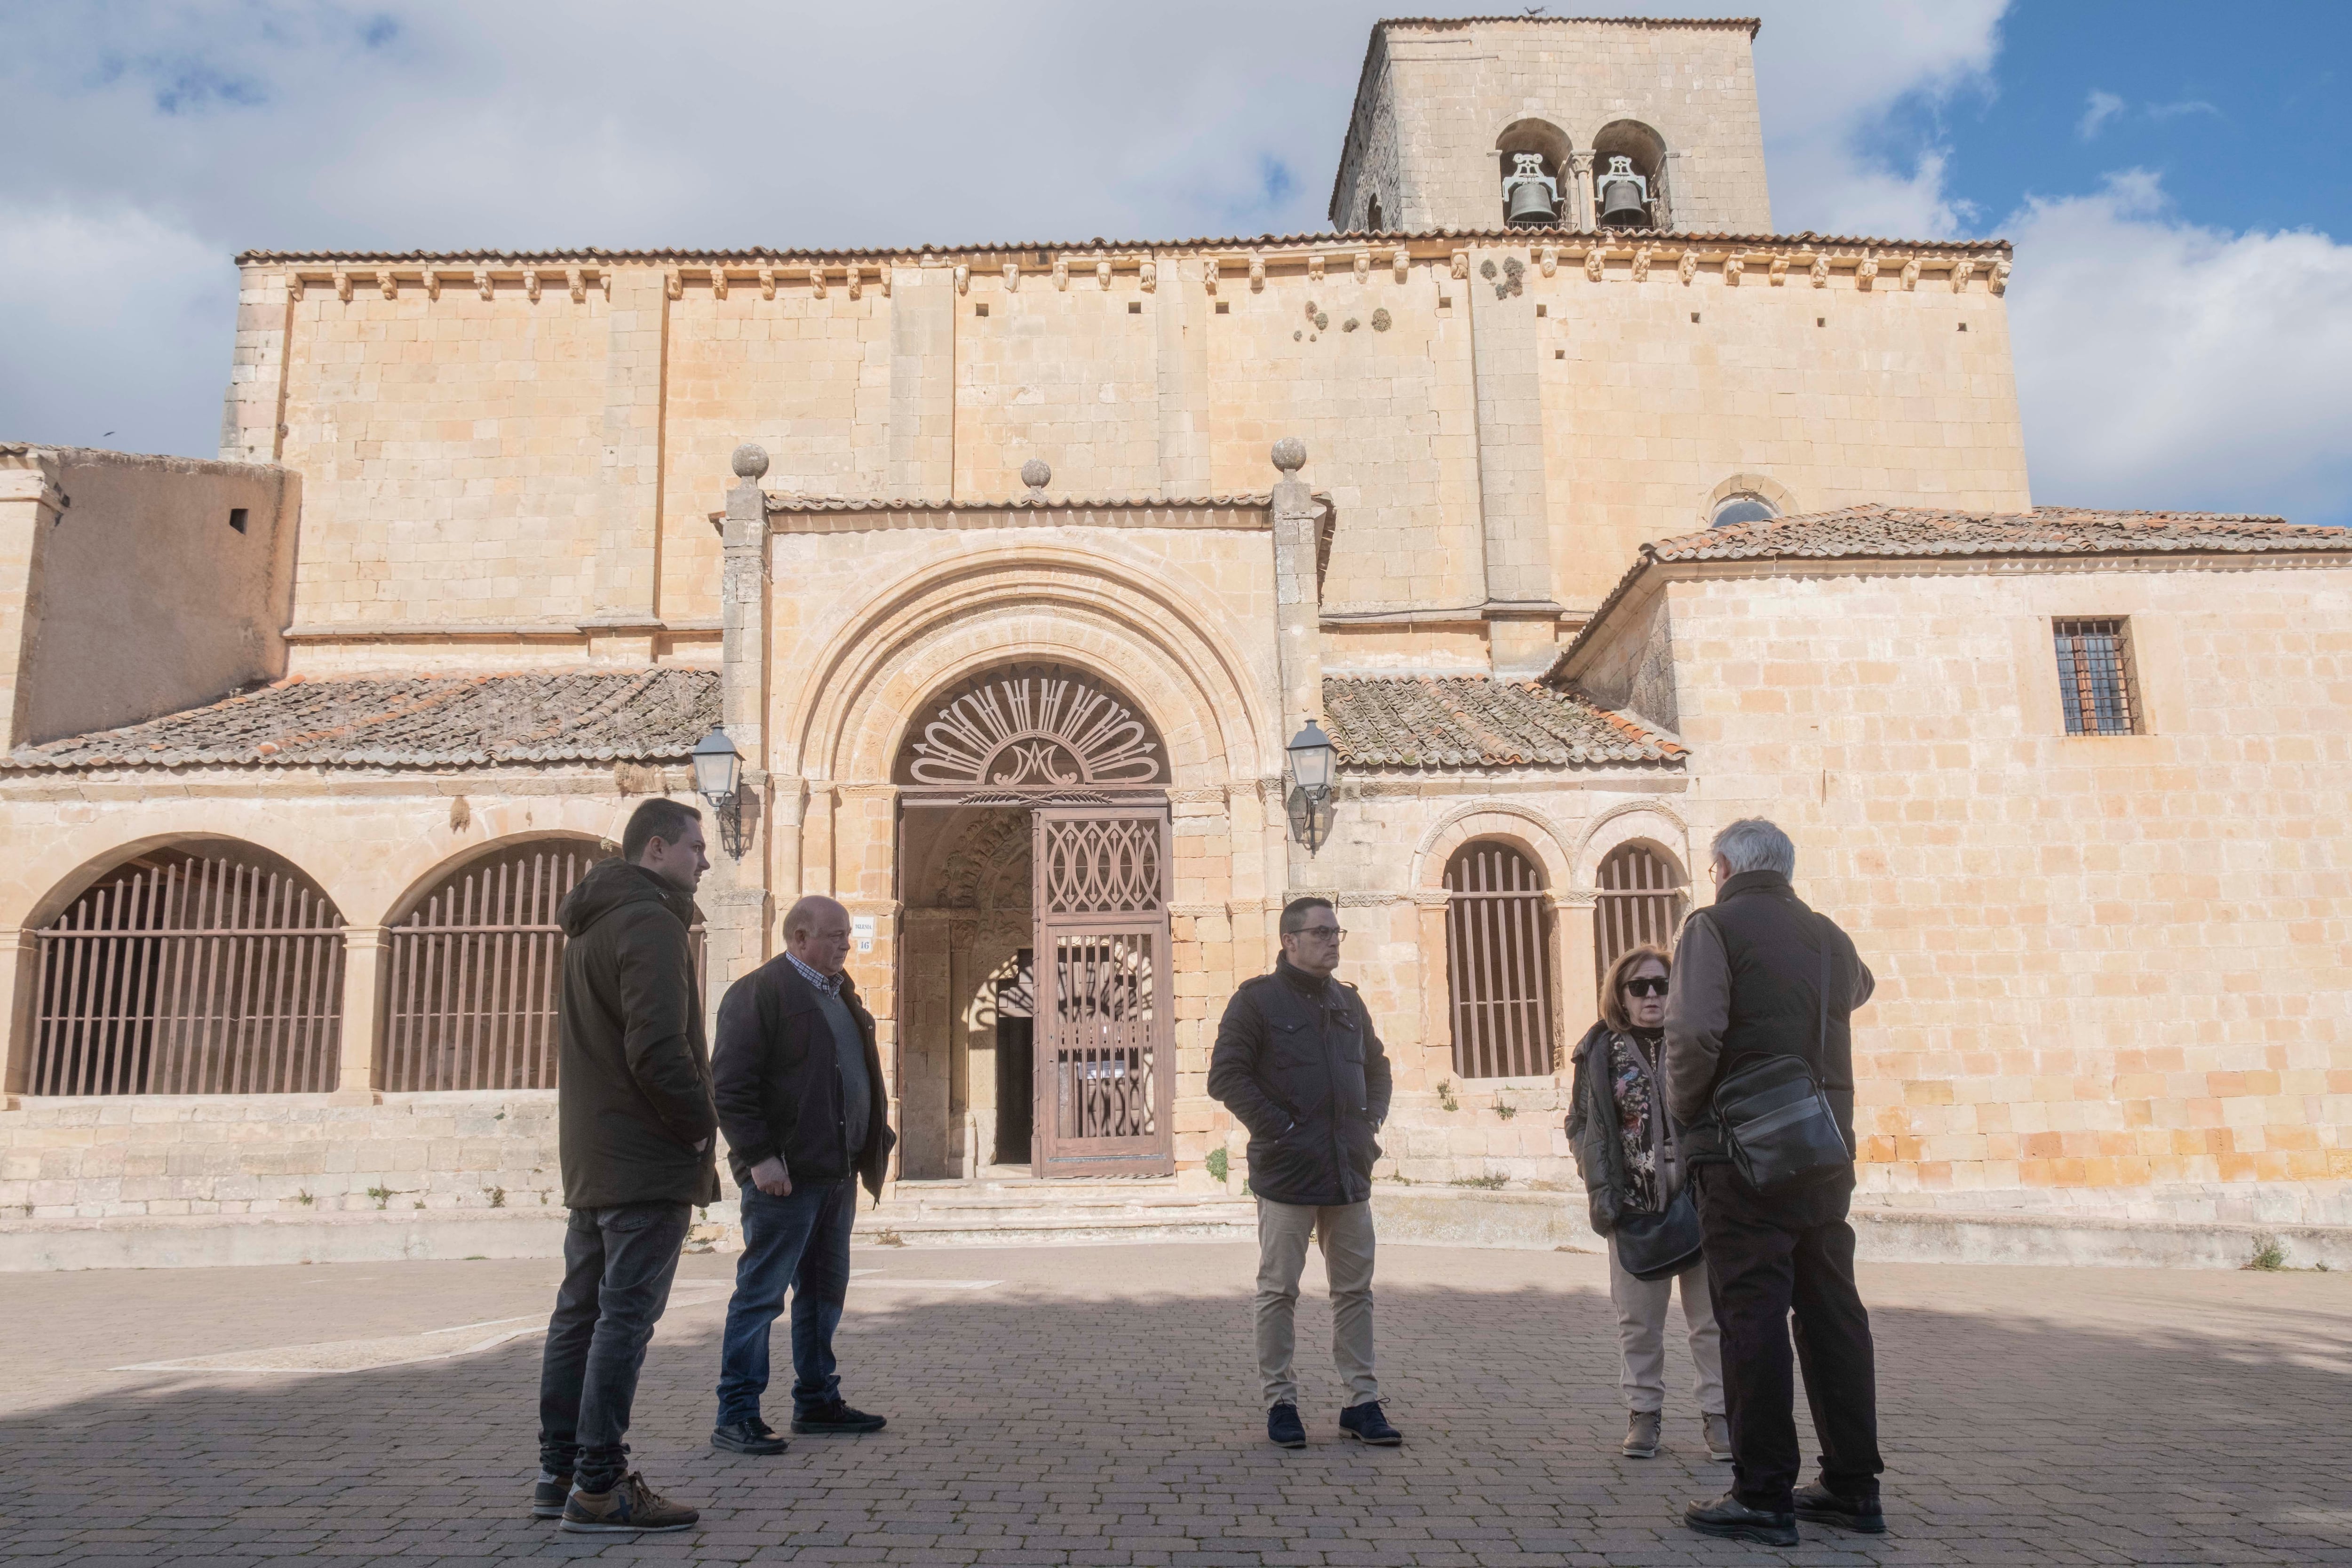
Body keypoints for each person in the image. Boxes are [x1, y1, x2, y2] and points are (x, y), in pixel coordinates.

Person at [1664, 818, 1884, 1547]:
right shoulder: (1826, 935)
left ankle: (1762, 1494)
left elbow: (1693, 1032)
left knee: (1751, 1314)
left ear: (1725, 868)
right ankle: (1853, 1485)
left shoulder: (1712, 927)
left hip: (1742, 1152)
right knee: (1832, 1313)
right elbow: (1860, 988)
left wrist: (1685, 1109)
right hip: (1823, 1145)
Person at [536, 798, 720, 1536]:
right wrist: (698, 1127)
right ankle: (600, 1485)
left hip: (594, 1154)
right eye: (695, 847)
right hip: (644, 1156)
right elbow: (657, 1048)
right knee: (623, 1320)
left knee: (579, 1315)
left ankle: (559, 1473)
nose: (705, 860)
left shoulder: (592, 922)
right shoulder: (650, 921)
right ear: (656, 849)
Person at [1207, 895, 1399, 1450]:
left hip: (1347, 1170)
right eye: (1320, 933)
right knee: (1278, 1290)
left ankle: (1361, 1402)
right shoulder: (1256, 1002)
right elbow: (1226, 1076)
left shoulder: (1348, 1002)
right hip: (1287, 1171)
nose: (1332, 941)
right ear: (1289, 941)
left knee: (1354, 1291)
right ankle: (1281, 1402)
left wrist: (1369, 1121)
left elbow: (1378, 1068)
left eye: (1336, 932)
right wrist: (1281, 1129)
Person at [708, 894, 897, 1454]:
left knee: (822, 1294)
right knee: (761, 1295)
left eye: (847, 935)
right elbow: (730, 1086)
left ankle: (816, 1401)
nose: (846, 945)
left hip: (836, 1173)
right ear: (799, 938)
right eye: (835, 935)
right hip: (785, 1178)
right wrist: (760, 1157)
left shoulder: (840, 993)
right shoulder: (760, 993)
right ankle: (736, 1413)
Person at [1567, 942, 1729, 1464]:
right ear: (1620, 995)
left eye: (1662, 985)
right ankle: (1643, 1414)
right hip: (1634, 1206)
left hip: (1702, 1203)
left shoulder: (1697, 1043)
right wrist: (1595, 1173)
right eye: (1639, 987)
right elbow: (1580, 1121)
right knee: (1638, 1324)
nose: (1652, 996)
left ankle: (1719, 1416)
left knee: (1711, 1322)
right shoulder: (1600, 1050)